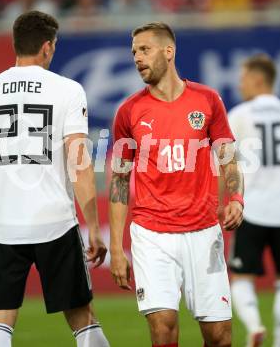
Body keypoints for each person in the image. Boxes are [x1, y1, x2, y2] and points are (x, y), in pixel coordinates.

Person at [0, 10, 109, 347]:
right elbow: (79, 162)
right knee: (82, 317)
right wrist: (95, 229)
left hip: (3, 225)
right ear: (46, 47)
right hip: (55, 222)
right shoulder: (68, 90)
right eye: (53, 46)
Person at [108, 22, 244, 347]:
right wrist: (115, 246)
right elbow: (119, 180)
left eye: (145, 49)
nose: (137, 58)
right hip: (151, 234)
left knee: (220, 337)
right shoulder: (129, 112)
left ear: (168, 52)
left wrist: (236, 196)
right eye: (134, 52)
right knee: (163, 328)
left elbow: (227, 157)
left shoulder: (208, 100)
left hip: (203, 231)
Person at [228, 54, 280, 347]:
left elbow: (225, 161)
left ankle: (254, 324)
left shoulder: (240, 114)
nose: (239, 84)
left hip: (253, 208)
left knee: (242, 277)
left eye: (244, 78)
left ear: (258, 80)